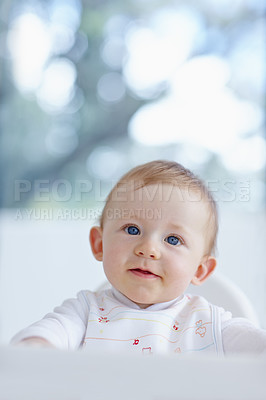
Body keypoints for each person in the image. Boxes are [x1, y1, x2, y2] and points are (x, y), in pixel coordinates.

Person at [11, 160, 266, 355]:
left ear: (200, 269)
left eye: (173, 240)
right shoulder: (83, 313)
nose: (148, 249)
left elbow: (256, 348)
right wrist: (36, 345)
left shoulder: (210, 323)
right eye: (132, 230)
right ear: (99, 244)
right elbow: (41, 339)